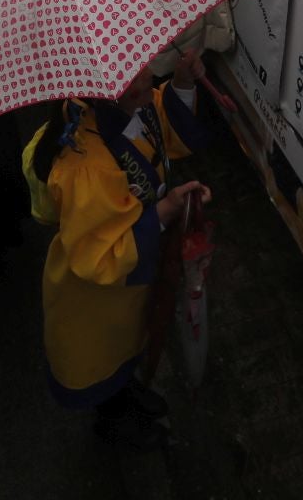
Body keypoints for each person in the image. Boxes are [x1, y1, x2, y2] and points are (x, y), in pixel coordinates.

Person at [25, 49, 211, 447]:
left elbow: (160, 126)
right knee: (102, 360)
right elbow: (99, 259)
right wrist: (164, 211)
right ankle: (114, 422)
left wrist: (182, 82)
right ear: (113, 89)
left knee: (127, 346)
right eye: (139, 73)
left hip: (127, 286)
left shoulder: (117, 106)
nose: (149, 74)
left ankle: (123, 391)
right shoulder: (86, 165)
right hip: (96, 302)